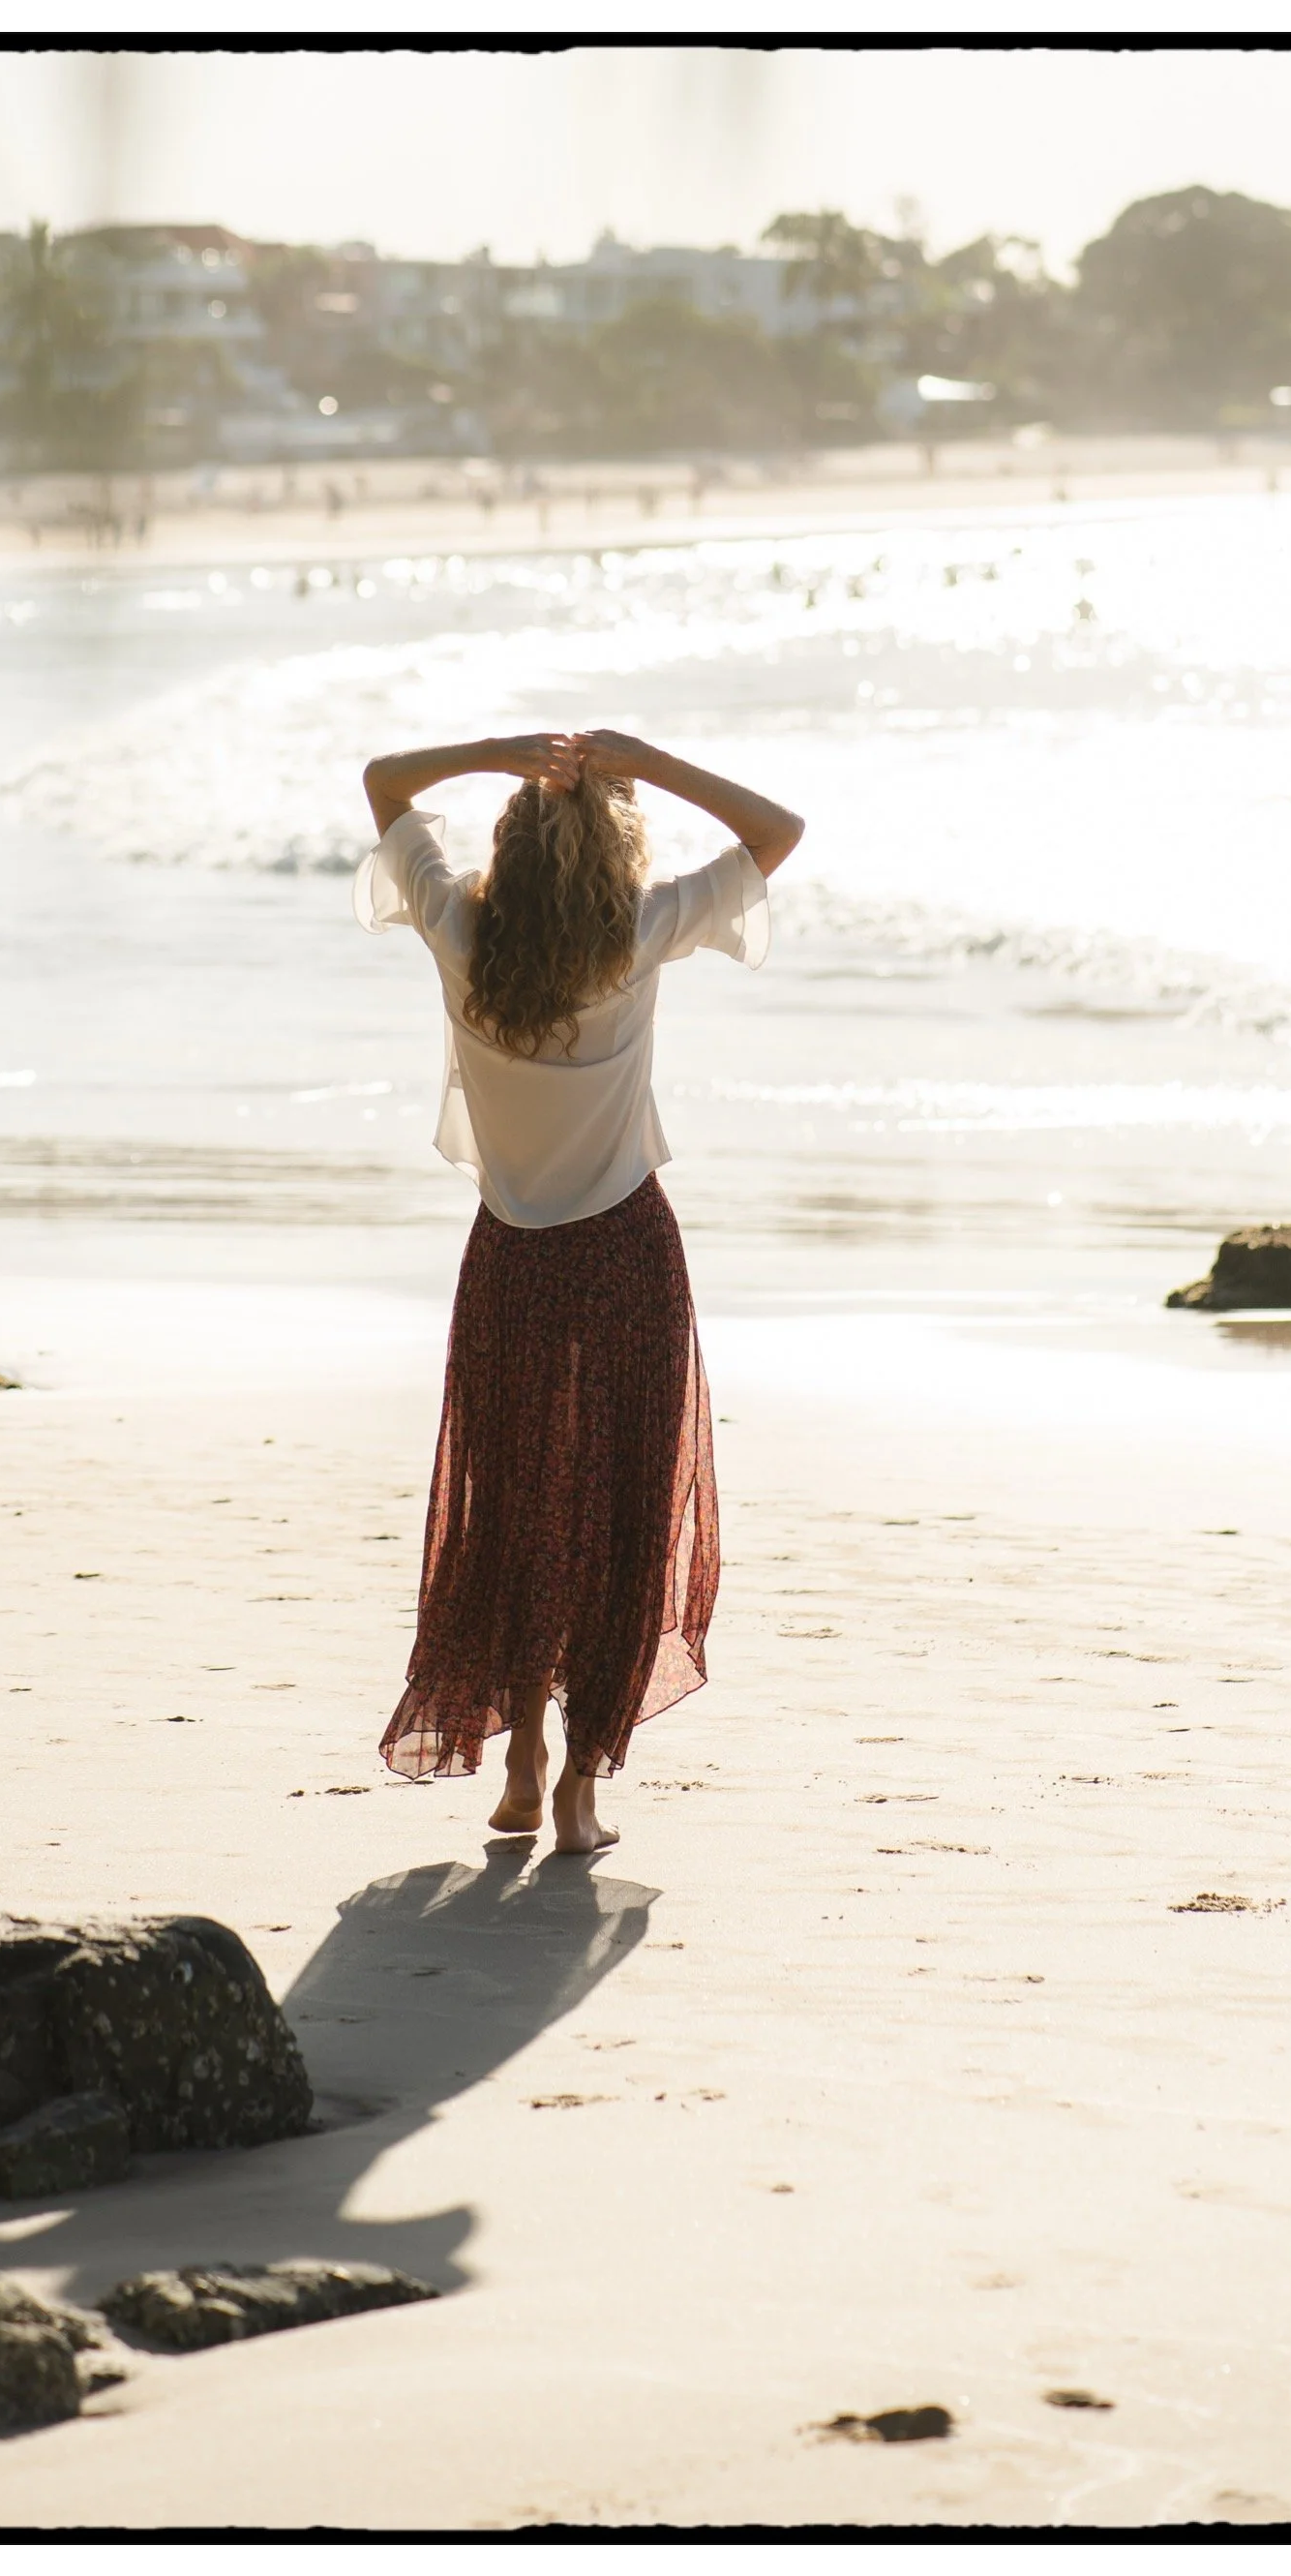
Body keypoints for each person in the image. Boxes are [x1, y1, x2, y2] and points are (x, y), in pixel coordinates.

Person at [356, 730, 804, 1854]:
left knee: (512, 1504)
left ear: (509, 847)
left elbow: (383, 783)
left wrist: (503, 752)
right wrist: (643, 763)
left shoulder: (460, 931)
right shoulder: (641, 932)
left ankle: (518, 1768)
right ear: (615, 858)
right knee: (617, 1510)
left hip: (511, 1256)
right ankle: (582, 1796)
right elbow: (778, 832)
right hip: (623, 1253)